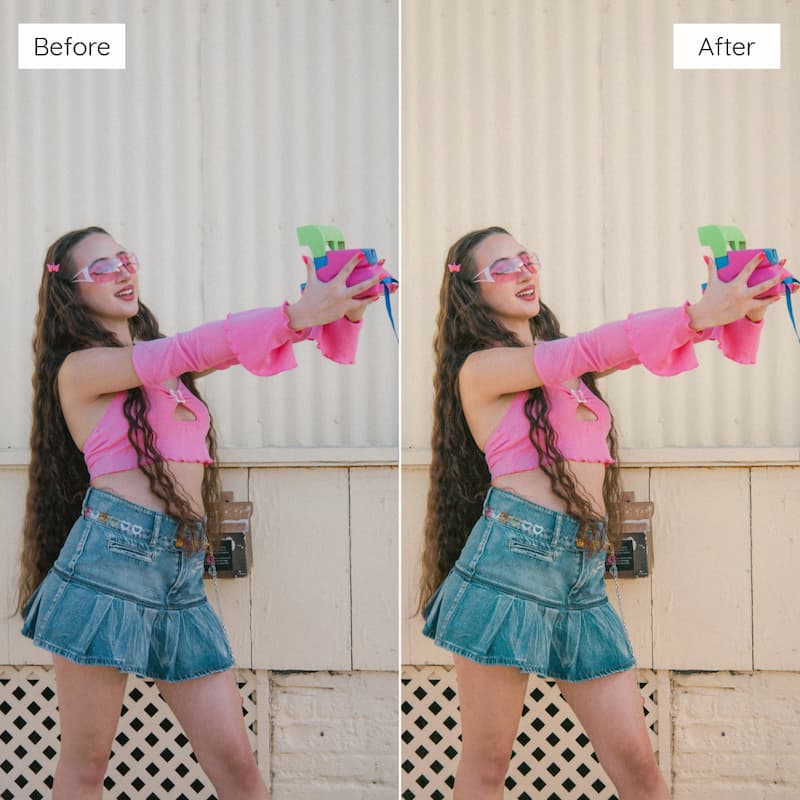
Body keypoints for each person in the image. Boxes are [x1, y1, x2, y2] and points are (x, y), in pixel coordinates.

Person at [18, 225, 381, 800]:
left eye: (126, 259)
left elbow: (237, 347)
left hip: (180, 572)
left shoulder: (167, 375)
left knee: (237, 767)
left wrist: (341, 304)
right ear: (68, 290)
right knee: (87, 764)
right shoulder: (81, 369)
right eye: (102, 267)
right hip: (108, 568)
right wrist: (294, 311)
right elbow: (192, 347)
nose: (123, 272)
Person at [418, 226, 782, 800]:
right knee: (488, 763)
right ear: (469, 290)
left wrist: (737, 305)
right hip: (509, 567)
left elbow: (635, 347)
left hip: (581, 573)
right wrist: (697, 311)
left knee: (639, 769)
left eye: (528, 259)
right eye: (504, 266)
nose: (524, 271)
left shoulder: (566, 376)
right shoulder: (481, 369)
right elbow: (591, 347)